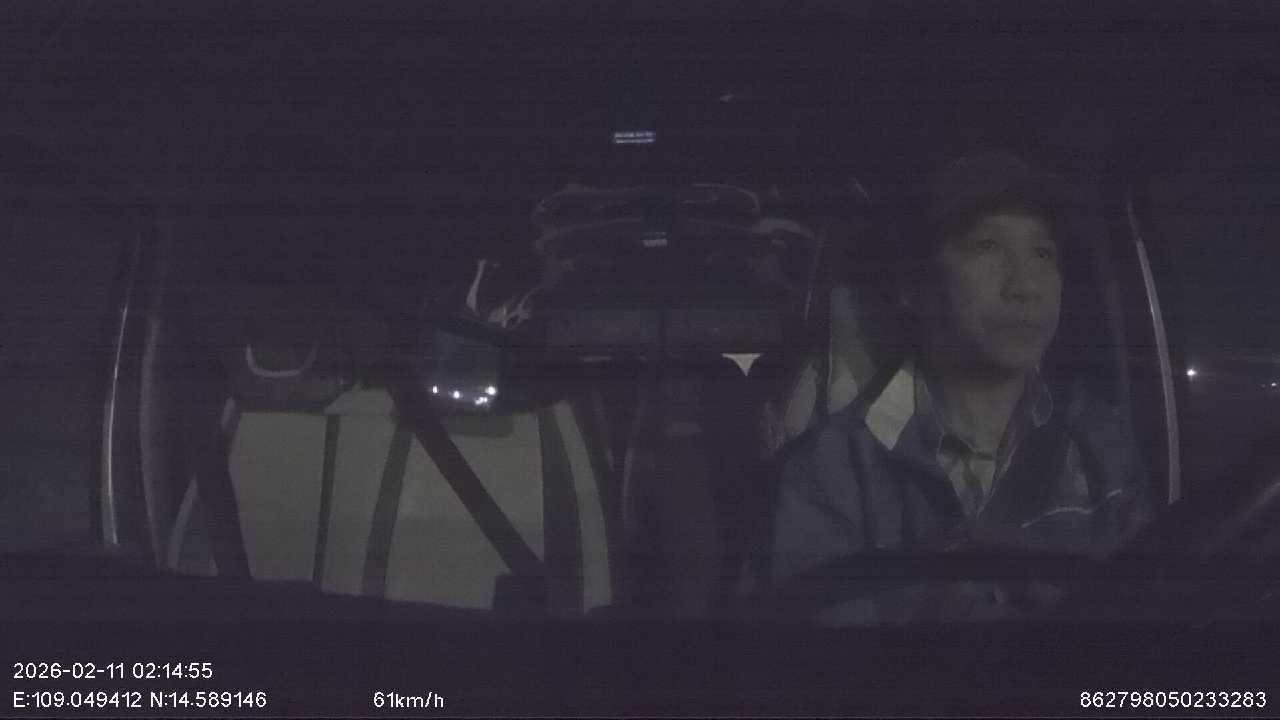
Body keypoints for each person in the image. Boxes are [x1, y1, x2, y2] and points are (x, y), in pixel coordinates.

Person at [764, 150, 1152, 623]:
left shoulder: (1101, 444)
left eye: (1042, 253)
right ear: (914, 287)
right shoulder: (834, 472)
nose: (1025, 286)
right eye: (987, 247)